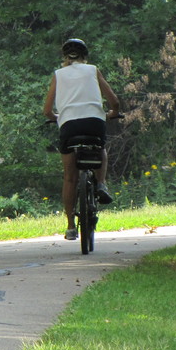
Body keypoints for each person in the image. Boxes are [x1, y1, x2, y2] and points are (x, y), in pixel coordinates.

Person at [43, 38, 121, 240]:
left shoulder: (58, 75)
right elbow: (114, 100)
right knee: (100, 146)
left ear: (65, 58)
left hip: (69, 126)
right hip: (94, 122)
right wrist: (113, 112)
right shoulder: (93, 70)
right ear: (85, 56)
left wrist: (57, 118)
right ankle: (101, 183)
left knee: (70, 177)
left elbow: (47, 110)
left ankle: (70, 227)